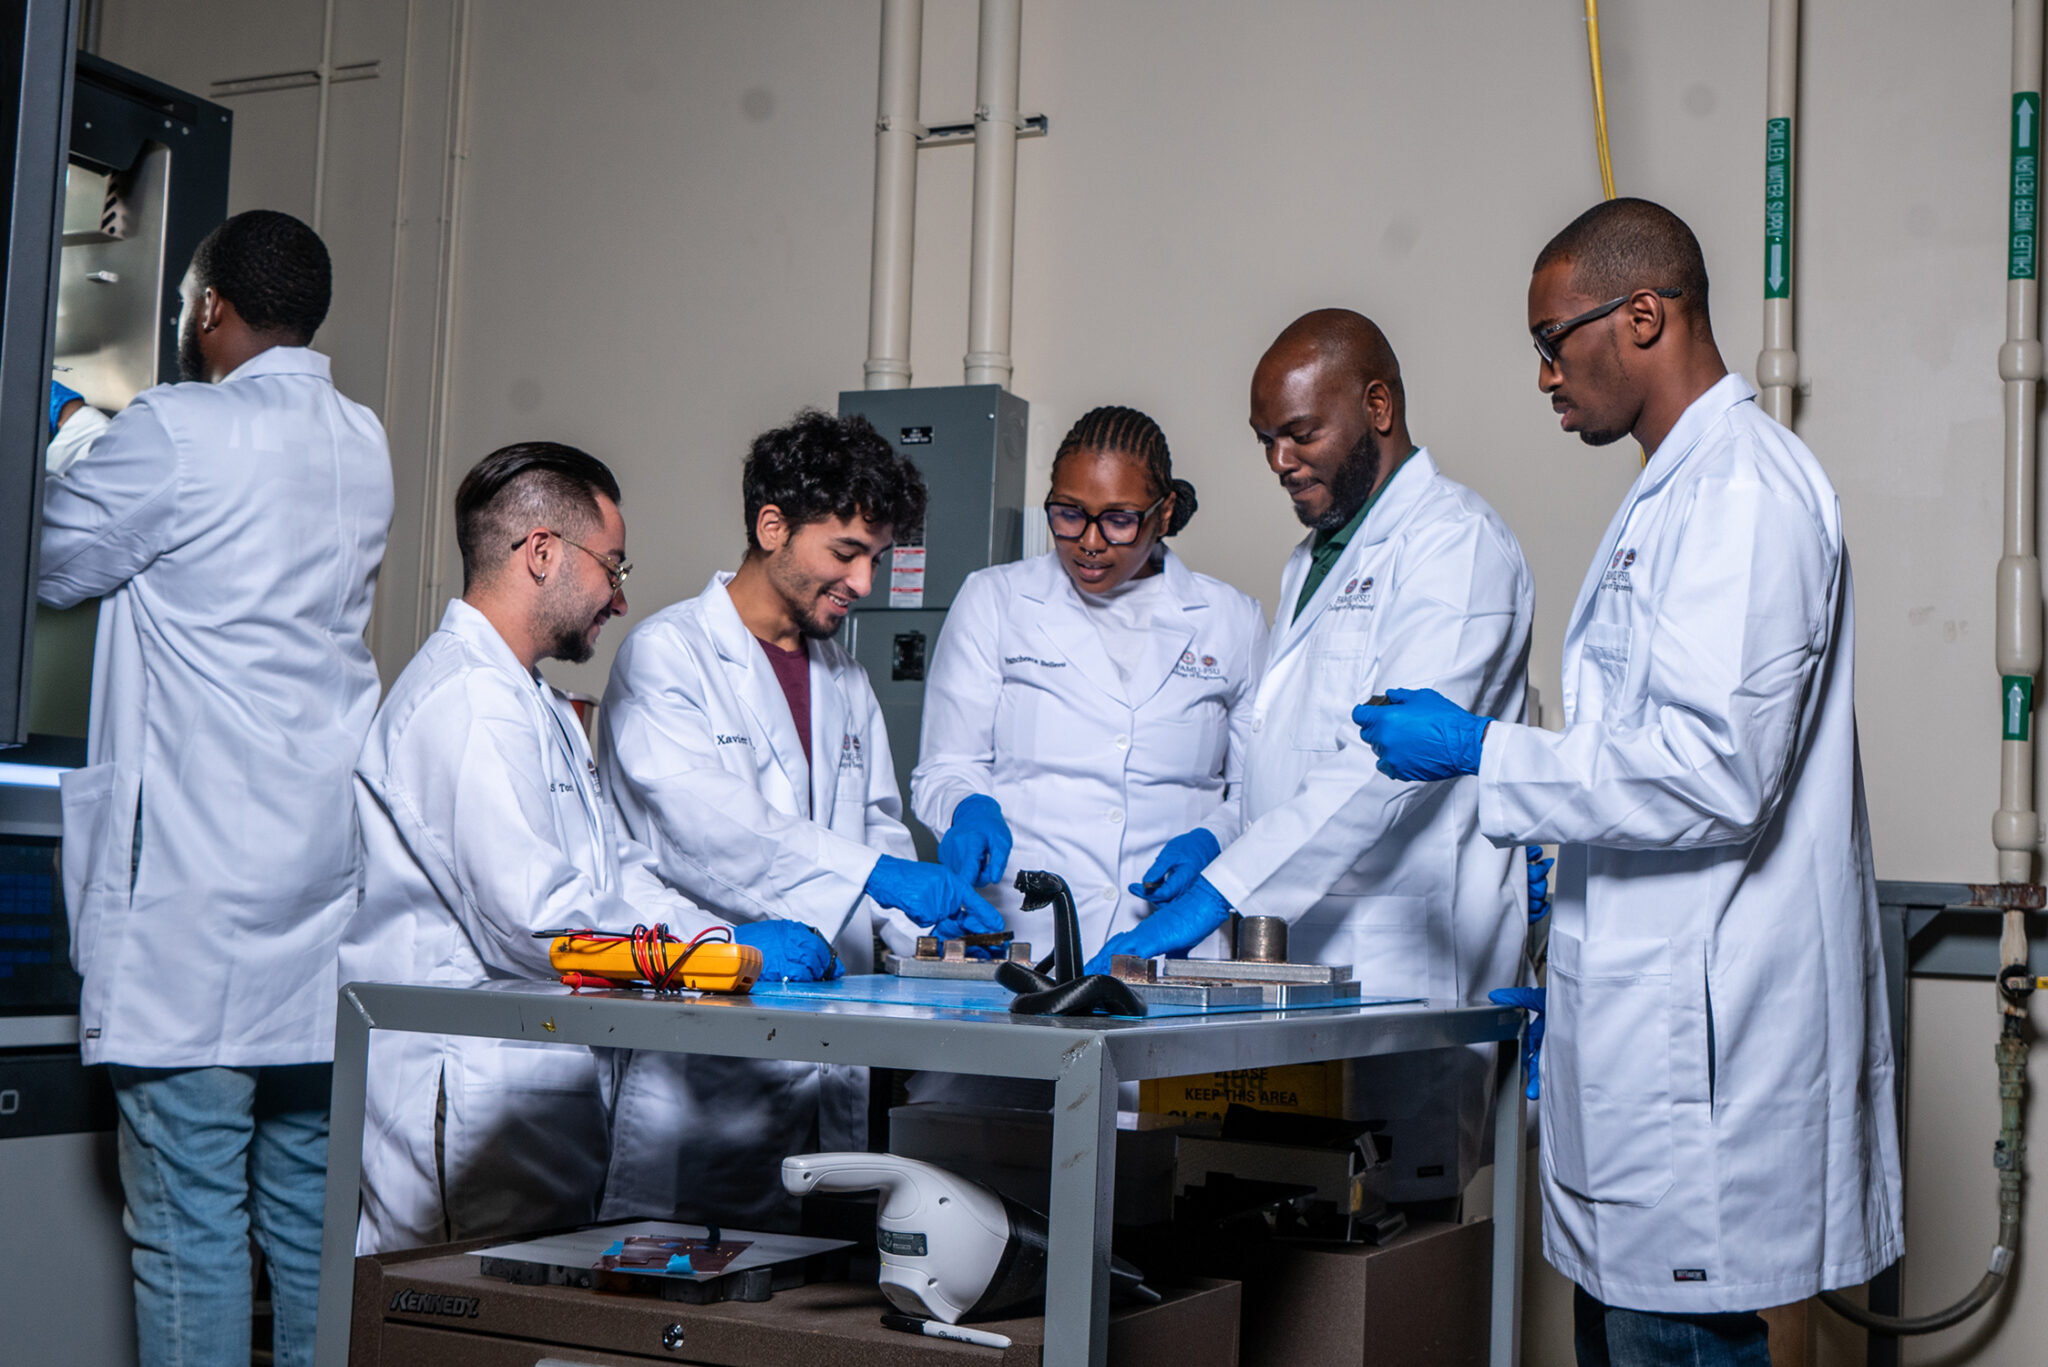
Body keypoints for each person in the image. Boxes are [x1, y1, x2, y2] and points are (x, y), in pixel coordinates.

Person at [1354, 198, 1902, 1364]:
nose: (1544, 376)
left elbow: (1714, 770)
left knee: (1675, 1330)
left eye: (1553, 341)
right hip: (1643, 1065)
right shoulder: (1676, 493)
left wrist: (1480, 749)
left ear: (1642, 314)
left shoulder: (1744, 493)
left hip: (1703, 1091)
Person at [38, 210, 392, 1367]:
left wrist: (53, 429)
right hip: (314, 903)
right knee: (302, 1224)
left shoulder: (179, 428)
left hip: (193, 906)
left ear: (206, 310)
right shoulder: (362, 441)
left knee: (188, 1231)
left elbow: (54, 557)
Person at [342, 443, 833, 1254]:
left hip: (531, 1100)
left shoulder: (528, 698)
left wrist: (722, 937)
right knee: (443, 1327)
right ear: (541, 553)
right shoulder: (466, 700)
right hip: (466, 1096)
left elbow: (614, 868)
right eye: (612, 565)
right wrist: (713, 952)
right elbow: (540, 919)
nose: (619, 595)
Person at [1090, 311, 1535, 1205]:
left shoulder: (1454, 545)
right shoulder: (1310, 561)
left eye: (1300, 433)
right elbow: (1276, 747)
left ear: (1377, 405)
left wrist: (1225, 891)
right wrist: (1222, 841)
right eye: (1266, 441)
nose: (1280, 462)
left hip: (1406, 962)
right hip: (1301, 966)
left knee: (1393, 1253)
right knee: (1288, 1228)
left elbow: (1382, 769)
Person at [595, 409, 1003, 1229]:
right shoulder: (668, 656)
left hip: (828, 1053)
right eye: (846, 552)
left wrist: (946, 953)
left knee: (811, 1315)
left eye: (877, 558)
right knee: (676, 1303)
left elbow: (880, 823)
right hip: (705, 1058)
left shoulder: (845, 677)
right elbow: (708, 828)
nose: (865, 583)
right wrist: (880, 875)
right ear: (771, 525)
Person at [914, 405, 1267, 966]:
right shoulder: (995, 600)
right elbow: (946, 764)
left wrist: (1215, 841)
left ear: (1165, 512)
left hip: (1172, 941)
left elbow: (1258, 792)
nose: (1090, 542)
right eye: (1069, 514)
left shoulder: (1232, 620)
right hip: (1020, 934)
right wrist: (967, 809)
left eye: (1120, 519)